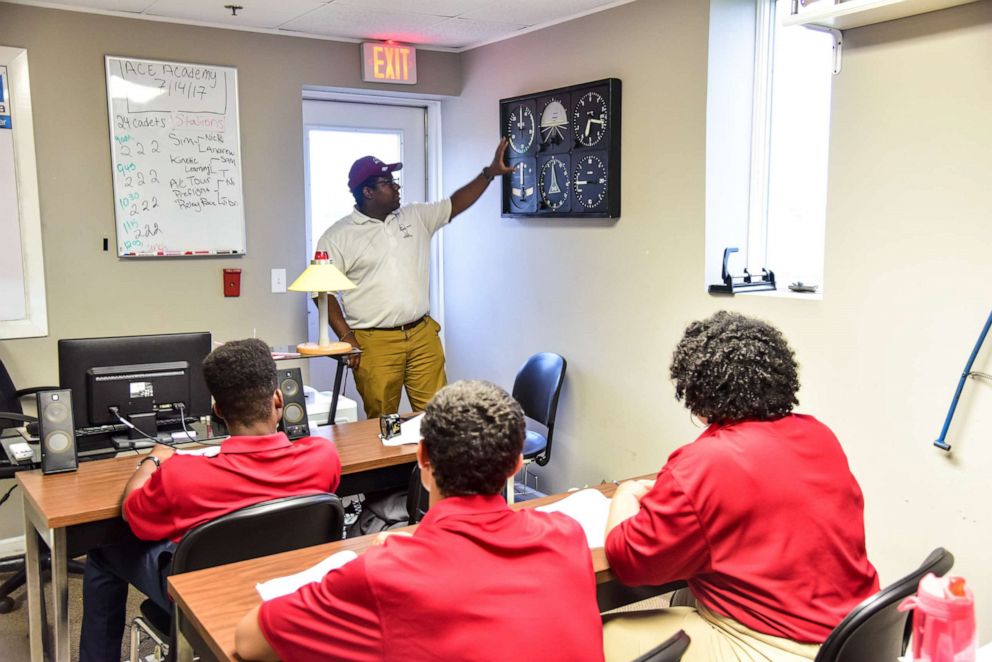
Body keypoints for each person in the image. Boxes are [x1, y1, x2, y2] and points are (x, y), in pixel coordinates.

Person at [235, 380, 604, 662]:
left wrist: (377, 564)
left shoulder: (385, 572)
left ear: (423, 458)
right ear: (516, 465)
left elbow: (248, 642)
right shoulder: (567, 536)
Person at [602, 311, 879, 661]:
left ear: (697, 391)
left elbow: (631, 564)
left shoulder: (703, 463)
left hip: (777, 647)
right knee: (683, 598)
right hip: (852, 634)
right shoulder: (818, 434)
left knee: (601, 631)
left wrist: (623, 497)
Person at [79, 338, 342, 662]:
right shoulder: (323, 457)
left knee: (103, 549)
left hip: (204, 597)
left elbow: (133, 515)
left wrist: (152, 460)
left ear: (217, 411)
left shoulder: (182, 476)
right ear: (278, 398)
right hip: (288, 586)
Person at [317, 140, 513, 418]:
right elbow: (320, 292)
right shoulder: (337, 236)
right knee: (383, 422)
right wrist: (347, 338)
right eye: (387, 182)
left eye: (394, 180)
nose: (396, 187)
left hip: (421, 335)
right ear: (368, 191)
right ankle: (391, 465)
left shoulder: (414, 215)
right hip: (375, 342)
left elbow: (455, 204)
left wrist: (489, 173)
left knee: (438, 416)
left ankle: (430, 463)